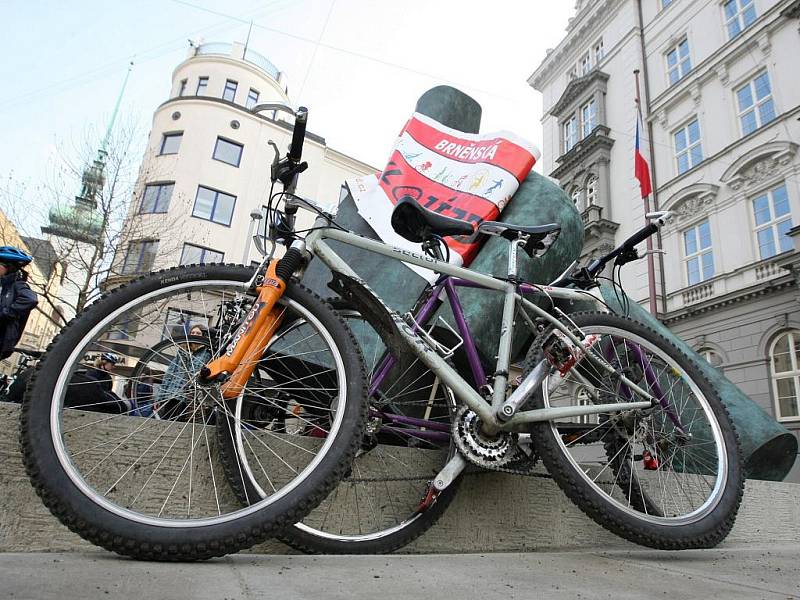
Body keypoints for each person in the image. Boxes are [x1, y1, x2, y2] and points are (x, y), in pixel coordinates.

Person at [154, 324, 211, 420]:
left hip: (191, 396)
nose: (195, 334)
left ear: (203, 336)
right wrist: (159, 397)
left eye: (198, 333)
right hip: (174, 393)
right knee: (167, 420)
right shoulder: (182, 350)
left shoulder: (207, 352)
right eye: (192, 332)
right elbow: (170, 373)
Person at [0, 246, 38, 360]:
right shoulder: (3, 285)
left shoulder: (17, 285)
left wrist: (6, 313)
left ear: (9, 267)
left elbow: (31, 299)